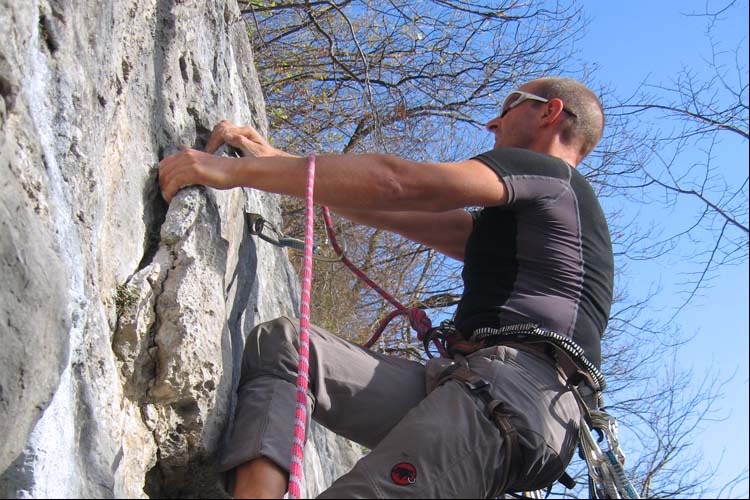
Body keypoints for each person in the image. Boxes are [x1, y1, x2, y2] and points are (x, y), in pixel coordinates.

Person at [158, 76, 613, 499]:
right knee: (288, 348)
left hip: (512, 397)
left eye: (511, 105)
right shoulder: (529, 228)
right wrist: (275, 162)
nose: (493, 121)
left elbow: (397, 183)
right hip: (477, 387)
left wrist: (229, 172)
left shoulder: (552, 177)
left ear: (551, 113)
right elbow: (384, 208)